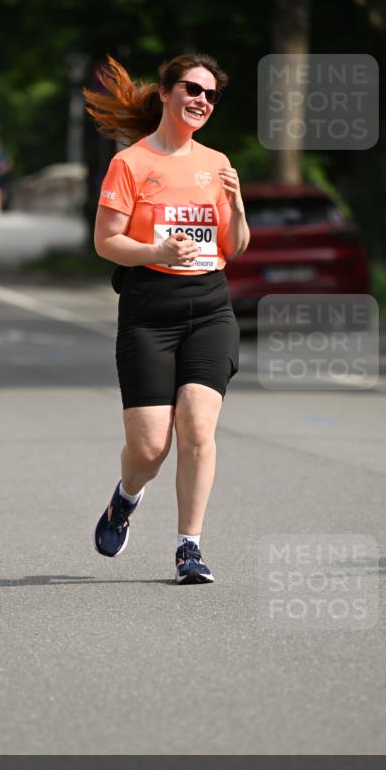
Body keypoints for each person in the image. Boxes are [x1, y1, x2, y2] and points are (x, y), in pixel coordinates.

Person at [84, 54, 250, 584]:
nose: (201, 100)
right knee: (150, 446)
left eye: (210, 94)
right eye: (191, 88)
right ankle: (125, 498)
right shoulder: (130, 164)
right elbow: (106, 241)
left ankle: (189, 548)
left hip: (210, 307)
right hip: (149, 311)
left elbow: (235, 246)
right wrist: (157, 249)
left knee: (198, 429)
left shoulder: (217, 162)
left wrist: (239, 207)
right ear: (165, 92)